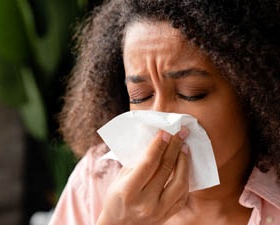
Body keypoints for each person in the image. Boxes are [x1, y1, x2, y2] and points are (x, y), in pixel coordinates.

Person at [49, 0, 280, 224]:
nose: (160, 117)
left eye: (192, 93)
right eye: (141, 96)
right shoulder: (98, 179)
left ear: (251, 92)